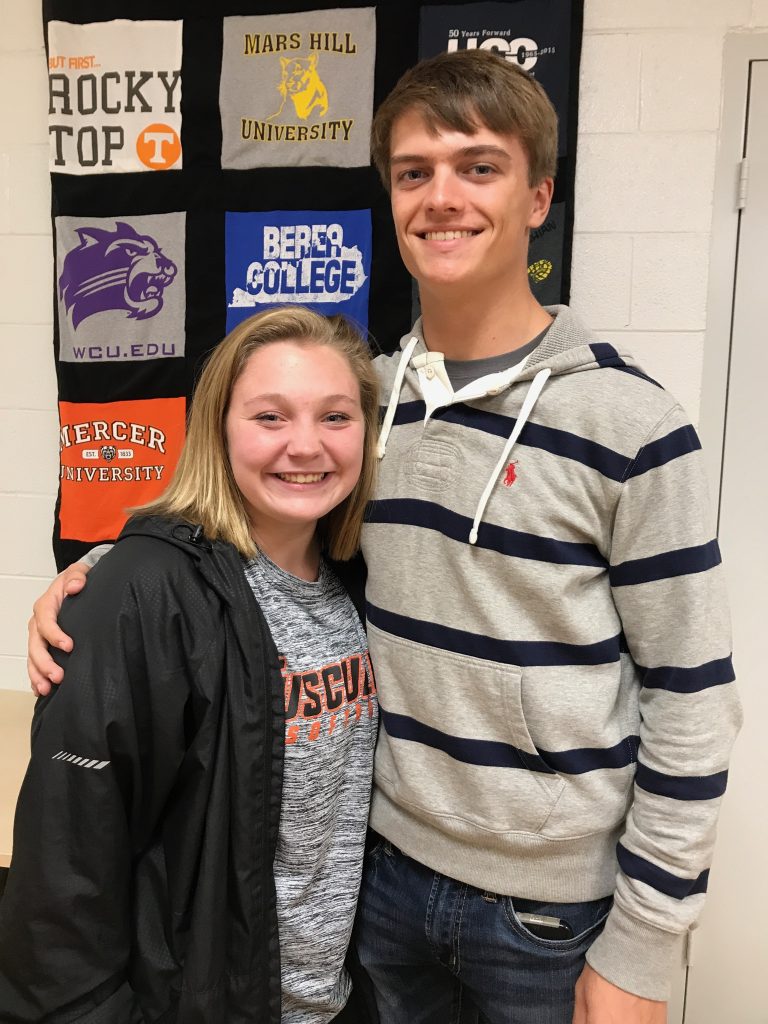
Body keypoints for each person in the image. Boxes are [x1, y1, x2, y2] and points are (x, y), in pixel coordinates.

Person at [28, 50, 741, 1024]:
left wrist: (644, 952)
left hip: (547, 920)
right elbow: (265, 525)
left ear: (539, 196)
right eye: (414, 172)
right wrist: (111, 576)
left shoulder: (631, 424)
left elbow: (693, 702)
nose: (442, 197)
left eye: (479, 167)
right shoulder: (368, 405)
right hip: (379, 894)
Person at [5, 307, 380, 1023]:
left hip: (335, 1002)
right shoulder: (140, 593)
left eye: (335, 416)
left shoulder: (362, 581)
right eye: (270, 417)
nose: (306, 444)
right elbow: (66, 868)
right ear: (218, 428)